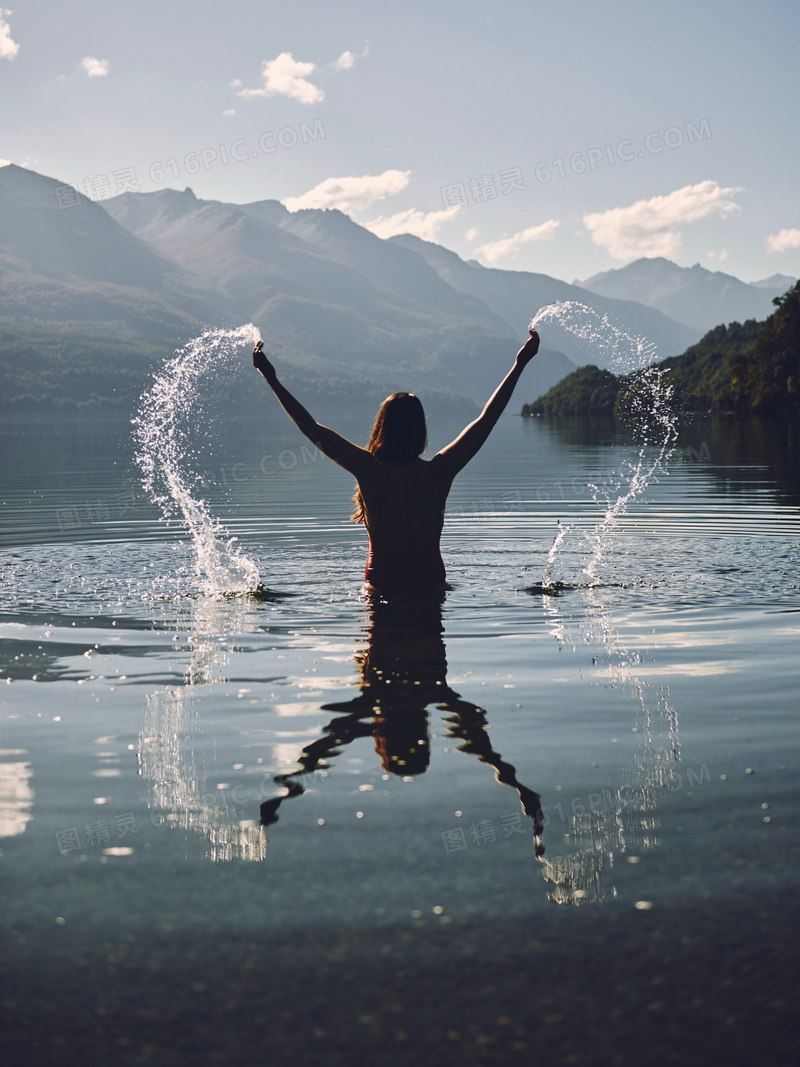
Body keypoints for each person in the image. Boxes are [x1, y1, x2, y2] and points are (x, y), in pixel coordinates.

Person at [252, 329, 540, 596]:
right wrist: (519, 365)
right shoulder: (439, 471)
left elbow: (311, 429)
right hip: (430, 589)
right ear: (420, 431)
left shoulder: (369, 471)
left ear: (381, 428)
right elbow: (486, 420)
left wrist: (271, 378)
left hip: (381, 590)